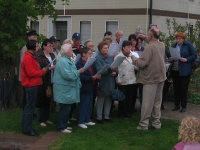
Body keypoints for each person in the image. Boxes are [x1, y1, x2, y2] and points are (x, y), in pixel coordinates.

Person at [131, 28, 166, 130]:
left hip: (150, 78)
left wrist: (133, 57)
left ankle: (143, 124)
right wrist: (146, 38)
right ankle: (156, 123)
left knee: (147, 103)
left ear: (150, 36)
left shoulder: (149, 48)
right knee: (157, 102)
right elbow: (155, 42)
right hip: (161, 77)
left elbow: (142, 63)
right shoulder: (162, 45)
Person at [53, 43, 84, 133]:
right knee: (64, 108)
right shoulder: (63, 61)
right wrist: (78, 71)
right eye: (70, 50)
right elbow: (68, 75)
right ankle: (61, 127)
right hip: (64, 89)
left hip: (67, 88)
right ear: (65, 51)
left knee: (66, 108)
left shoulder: (66, 59)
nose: (72, 51)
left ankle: (64, 125)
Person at [21, 40, 47, 136]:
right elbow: (31, 73)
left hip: (33, 84)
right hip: (30, 85)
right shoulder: (28, 58)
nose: (38, 48)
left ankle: (24, 127)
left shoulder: (32, 56)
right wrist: (42, 71)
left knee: (29, 107)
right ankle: (27, 129)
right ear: (32, 47)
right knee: (30, 108)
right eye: (36, 46)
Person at [170, 32, 197, 113]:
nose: (178, 40)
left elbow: (194, 55)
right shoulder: (174, 46)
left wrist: (186, 59)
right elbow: (172, 55)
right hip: (175, 70)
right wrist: (171, 58)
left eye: (180, 39)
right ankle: (176, 104)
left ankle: (183, 106)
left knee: (183, 89)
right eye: (177, 38)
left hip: (185, 70)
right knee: (176, 88)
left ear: (183, 39)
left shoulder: (188, 45)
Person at [76, 47, 101, 128]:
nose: (91, 55)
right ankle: (81, 121)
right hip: (84, 87)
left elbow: (93, 72)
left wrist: (96, 76)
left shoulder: (90, 62)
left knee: (89, 104)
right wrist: (92, 78)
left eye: (91, 53)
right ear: (83, 54)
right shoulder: (80, 63)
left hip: (91, 86)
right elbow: (81, 77)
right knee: (83, 104)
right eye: (89, 53)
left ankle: (87, 119)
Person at [95, 41, 117, 124]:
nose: (107, 49)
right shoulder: (98, 58)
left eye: (107, 48)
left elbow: (115, 67)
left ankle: (106, 116)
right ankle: (99, 117)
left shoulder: (110, 58)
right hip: (103, 81)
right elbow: (100, 70)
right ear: (100, 49)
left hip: (111, 81)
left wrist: (116, 73)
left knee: (109, 99)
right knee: (101, 99)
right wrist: (110, 70)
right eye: (105, 48)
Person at [35, 39, 56, 127]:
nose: (51, 48)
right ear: (44, 46)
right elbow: (40, 68)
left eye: (52, 46)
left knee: (48, 99)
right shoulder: (40, 56)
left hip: (51, 79)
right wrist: (49, 69)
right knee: (42, 99)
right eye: (49, 46)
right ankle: (40, 119)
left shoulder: (52, 55)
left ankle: (46, 118)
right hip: (43, 80)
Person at [116, 40, 138, 118]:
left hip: (131, 79)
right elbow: (116, 69)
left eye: (130, 47)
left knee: (129, 97)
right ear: (123, 48)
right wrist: (118, 80)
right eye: (128, 47)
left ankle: (128, 112)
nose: (129, 49)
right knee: (122, 98)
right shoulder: (118, 57)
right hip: (123, 80)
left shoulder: (132, 56)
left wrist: (138, 63)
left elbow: (135, 67)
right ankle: (121, 113)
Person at [19, 30, 38, 110]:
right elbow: (23, 62)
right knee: (27, 96)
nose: (35, 39)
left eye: (36, 37)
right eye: (33, 37)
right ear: (29, 37)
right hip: (26, 76)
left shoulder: (35, 47)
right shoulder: (25, 48)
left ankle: (29, 110)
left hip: (31, 76)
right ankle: (26, 110)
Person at [128, 34, 143, 106]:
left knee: (135, 90)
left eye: (134, 40)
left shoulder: (139, 50)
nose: (133, 42)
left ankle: (133, 106)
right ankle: (129, 106)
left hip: (138, 71)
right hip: (130, 70)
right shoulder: (128, 50)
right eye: (131, 40)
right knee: (130, 90)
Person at [49, 36, 60, 113]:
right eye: (55, 42)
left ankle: (53, 107)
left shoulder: (57, 51)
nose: (57, 44)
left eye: (57, 42)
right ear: (52, 43)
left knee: (54, 91)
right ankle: (50, 107)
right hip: (51, 73)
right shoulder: (50, 52)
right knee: (50, 92)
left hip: (56, 74)